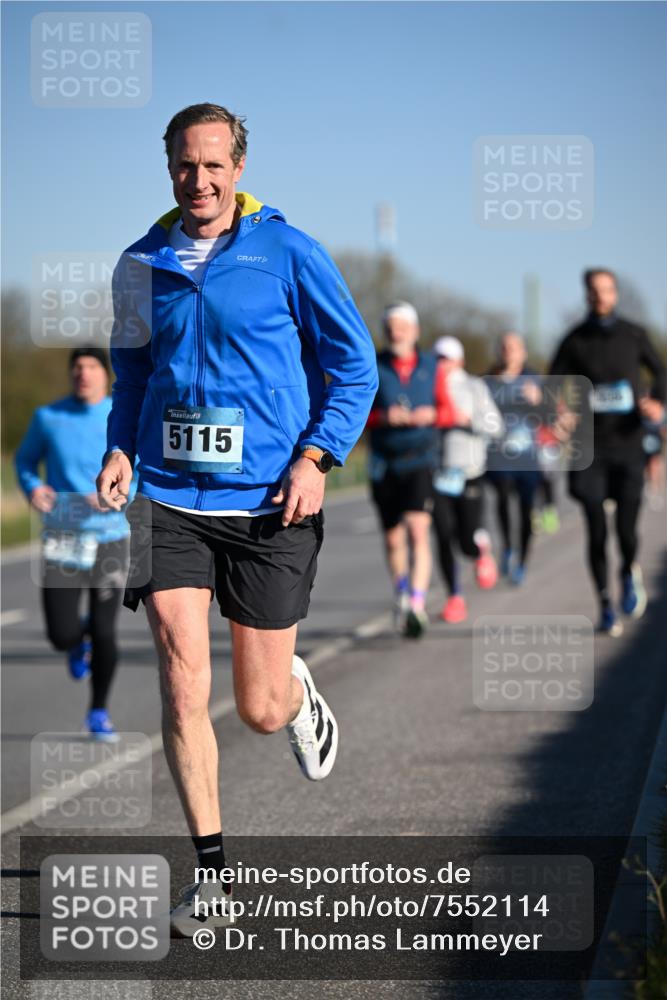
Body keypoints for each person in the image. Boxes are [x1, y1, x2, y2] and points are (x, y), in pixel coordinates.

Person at [95, 103, 378, 936]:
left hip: (268, 500)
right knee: (183, 683)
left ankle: (295, 698)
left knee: (255, 706)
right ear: (169, 167)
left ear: (239, 167)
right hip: (167, 498)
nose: (200, 179)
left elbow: (351, 364)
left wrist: (316, 457)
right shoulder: (140, 263)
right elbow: (131, 376)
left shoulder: (288, 252)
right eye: (186, 164)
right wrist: (120, 451)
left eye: (214, 164)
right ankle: (213, 876)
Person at [15, 347, 131, 741]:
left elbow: (145, 473)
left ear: (105, 374)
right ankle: (73, 639)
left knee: (105, 631)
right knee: (61, 635)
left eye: (92, 367)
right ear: (71, 375)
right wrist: (34, 488)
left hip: (111, 539)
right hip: (64, 538)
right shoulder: (49, 417)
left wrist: (114, 497)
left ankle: (98, 711)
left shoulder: (122, 416)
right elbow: (25, 462)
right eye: (77, 368)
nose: (83, 374)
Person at [549, 268, 666, 635]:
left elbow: (661, 372)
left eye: (607, 290)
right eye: (594, 291)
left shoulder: (633, 334)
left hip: (629, 443)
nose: (601, 297)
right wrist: (560, 412)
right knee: (596, 530)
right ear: (587, 295)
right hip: (590, 447)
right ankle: (604, 604)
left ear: (615, 293)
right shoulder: (574, 340)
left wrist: (658, 403)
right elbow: (552, 383)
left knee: (626, 531)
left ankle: (628, 573)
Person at [366, 302, 437, 638]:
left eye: (403, 327)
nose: (397, 333)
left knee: (418, 530)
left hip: (420, 459)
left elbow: (451, 408)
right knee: (394, 539)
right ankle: (402, 591)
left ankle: (418, 604)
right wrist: (382, 418)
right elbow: (356, 411)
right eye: (391, 327)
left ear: (415, 331)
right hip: (384, 462)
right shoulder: (372, 365)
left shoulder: (433, 366)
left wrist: (432, 414)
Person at [431, 336, 503, 623]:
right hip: (437, 474)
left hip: (469, 472)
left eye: (446, 358)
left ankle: (480, 550)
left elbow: (496, 426)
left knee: (465, 539)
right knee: (442, 535)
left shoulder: (473, 386)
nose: (441, 364)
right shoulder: (427, 387)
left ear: (459, 360)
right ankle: (454, 597)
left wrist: (466, 419)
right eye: (437, 358)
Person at [484, 332, 544, 586]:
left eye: (514, 347)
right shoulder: (488, 381)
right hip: (498, 455)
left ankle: (522, 561)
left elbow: (550, 414)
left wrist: (539, 400)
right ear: (499, 351)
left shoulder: (534, 379)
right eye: (505, 346)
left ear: (523, 352)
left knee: (526, 510)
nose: (509, 351)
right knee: (503, 496)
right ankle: (508, 547)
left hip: (528, 457)